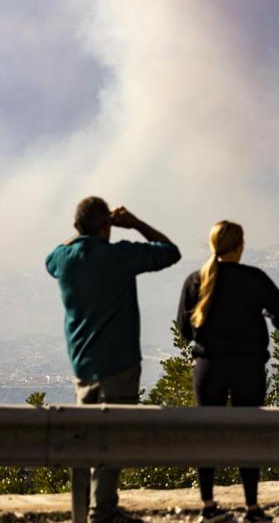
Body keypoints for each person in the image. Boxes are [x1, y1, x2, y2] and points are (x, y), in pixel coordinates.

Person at [45, 197, 181, 523]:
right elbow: (169, 251)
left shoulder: (64, 260)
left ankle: (96, 508)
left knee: (89, 437)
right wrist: (133, 222)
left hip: (82, 365)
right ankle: (102, 511)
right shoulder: (119, 256)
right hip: (119, 363)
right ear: (106, 226)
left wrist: (83, 232)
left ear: (77, 228)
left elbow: (50, 258)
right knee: (112, 438)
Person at [176, 221, 279, 523]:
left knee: (207, 437)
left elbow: (184, 329)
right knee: (249, 435)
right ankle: (252, 508)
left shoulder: (195, 280)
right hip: (248, 368)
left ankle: (208, 506)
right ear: (240, 246)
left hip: (209, 367)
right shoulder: (254, 279)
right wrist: (267, 315)